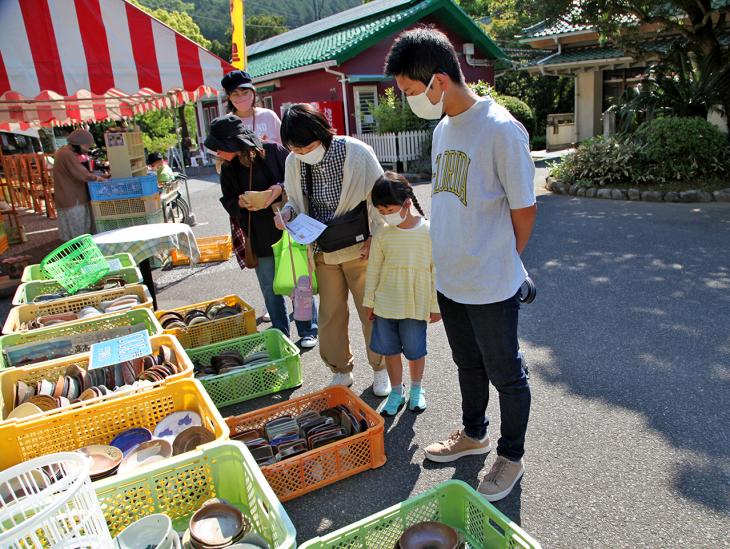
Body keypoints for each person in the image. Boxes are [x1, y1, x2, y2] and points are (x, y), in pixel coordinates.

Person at [384, 28, 537, 502]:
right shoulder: (443, 128)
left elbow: (524, 210)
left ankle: (510, 455)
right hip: (450, 280)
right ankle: (474, 434)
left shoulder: (500, 129)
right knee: (467, 365)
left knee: (506, 374)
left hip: (491, 283)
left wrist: (503, 263)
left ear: (439, 81)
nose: (410, 101)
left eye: (412, 92)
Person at [275, 104, 390, 396]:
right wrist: (287, 215)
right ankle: (341, 370)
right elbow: (294, 202)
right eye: (294, 149)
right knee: (330, 316)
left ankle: (381, 369)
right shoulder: (293, 161)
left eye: (306, 146)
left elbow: (380, 196)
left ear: (321, 132)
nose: (301, 153)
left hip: (360, 248)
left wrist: (377, 235)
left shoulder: (355, 152)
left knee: (372, 313)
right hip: (322, 251)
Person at [205, 114, 318, 347]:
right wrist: (240, 203)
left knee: (299, 283)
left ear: (232, 142)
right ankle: (280, 333)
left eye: (219, 147)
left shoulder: (274, 151)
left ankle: (308, 329)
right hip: (257, 234)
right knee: (270, 288)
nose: (217, 152)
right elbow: (227, 200)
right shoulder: (228, 168)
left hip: (289, 230)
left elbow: (300, 178)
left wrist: (278, 189)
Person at [363, 172, 440, 416]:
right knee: (390, 351)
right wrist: (369, 301)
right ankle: (397, 391)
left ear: (407, 203)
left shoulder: (429, 231)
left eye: (389, 209)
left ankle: (417, 389)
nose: (385, 216)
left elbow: (435, 270)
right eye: (381, 212)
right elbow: (373, 269)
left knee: (416, 351)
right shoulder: (383, 234)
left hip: (415, 304)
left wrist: (436, 305)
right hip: (386, 304)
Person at [53, 129, 107, 241]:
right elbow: (81, 174)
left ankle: (79, 254)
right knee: (79, 234)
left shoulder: (63, 152)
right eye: (86, 146)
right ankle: (81, 255)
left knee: (75, 232)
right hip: (72, 199)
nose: (87, 150)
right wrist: (97, 178)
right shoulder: (67, 154)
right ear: (79, 144)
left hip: (69, 197)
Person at [222, 70, 282, 145]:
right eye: (235, 94)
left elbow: (285, 149)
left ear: (253, 92)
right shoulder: (225, 124)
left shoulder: (269, 116)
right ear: (229, 97)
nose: (241, 97)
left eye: (245, 92)